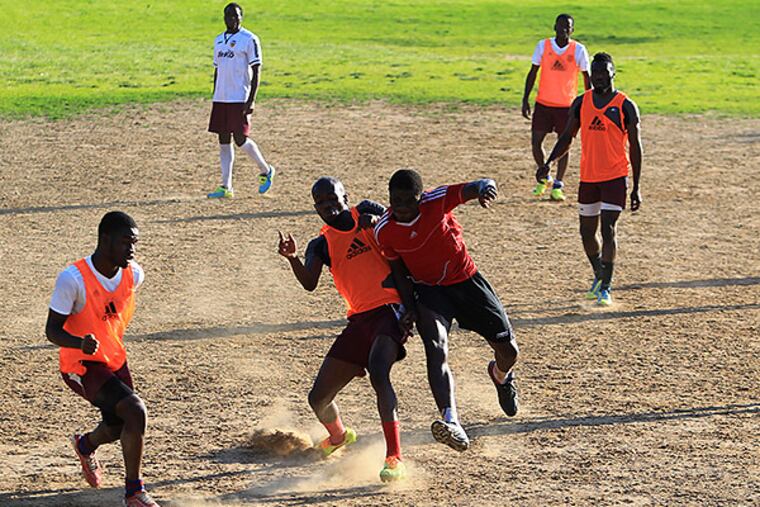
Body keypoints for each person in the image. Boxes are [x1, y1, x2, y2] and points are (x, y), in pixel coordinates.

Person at [374, 170, 519, 452]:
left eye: (409, 200)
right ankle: (451, 420)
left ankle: (501, 376)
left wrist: (485, 189)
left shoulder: (436, 201)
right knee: (435, 347)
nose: (402, 208)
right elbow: (398, 270)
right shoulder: (385, 230)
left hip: (467, 282)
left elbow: (476, 185)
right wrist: (409, 306)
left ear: (421, 197)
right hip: (429, 292)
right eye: (396, 200)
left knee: (509, 350)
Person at [277, 177, 410, 482]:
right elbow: (309, 283)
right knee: (318, 398)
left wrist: (378, 222)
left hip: (390, 311)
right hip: (359, 321)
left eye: (332, 198)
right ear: (315, 208)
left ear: (345, 196)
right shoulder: (320, 244)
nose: (328, 206)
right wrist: (293, 259)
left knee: (379, 373)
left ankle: (394, 459)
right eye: (321, 202)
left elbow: (396, 225)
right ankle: (339, 436)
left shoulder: (365, 212)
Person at [45, 212, 159, 507]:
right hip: (80, 364)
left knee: (119, 426)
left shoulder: (134, 274)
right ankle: (134, 493)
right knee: (135, 410)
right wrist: (79, 343)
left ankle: (84, 446)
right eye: (125, 243)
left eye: (134, 243)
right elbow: (52, 331)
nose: (131, 250)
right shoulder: (72, 279)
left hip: (113, 358)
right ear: (104, 240)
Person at [539, 52, 643, 306]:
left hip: (615, 177)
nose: (598, 78)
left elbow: (636, 148)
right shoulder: (580, 103)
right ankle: (599, 272)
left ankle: (606, 286)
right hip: (589, 178)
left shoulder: (625, 106)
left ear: (613, 73)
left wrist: (636, 187)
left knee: (608, 229)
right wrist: (548, 162)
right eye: (594, 73)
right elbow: (567, 137)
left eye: (603, 73)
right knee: (586, 233)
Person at [207, 2, 275, 199]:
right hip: (221, 97)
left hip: (239, 96)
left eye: (236, 16)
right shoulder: (219, 40)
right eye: (228, 16)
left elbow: (256, 70)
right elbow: (217, 69)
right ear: (224, 18)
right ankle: (226, 186)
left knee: (240, 139)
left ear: (241, 18)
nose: (232, 20)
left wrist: (251, 99)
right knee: (223, 139)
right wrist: (215, 94)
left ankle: (266, 170)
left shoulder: (249, 39)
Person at [522, 13, 591, 201]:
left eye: (567, 27)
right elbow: (533, 72)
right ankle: (544, 176)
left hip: (567, 106)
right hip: (543, 103)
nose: (563, 30)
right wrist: (525, 99)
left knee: (564, 145)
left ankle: (558, 185)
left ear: (572, 30)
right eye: (560, 26)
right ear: (554, 27)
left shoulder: (578, 50)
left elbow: (587, 78)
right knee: (536, 142)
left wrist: (589, 103)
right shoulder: (543, 46)